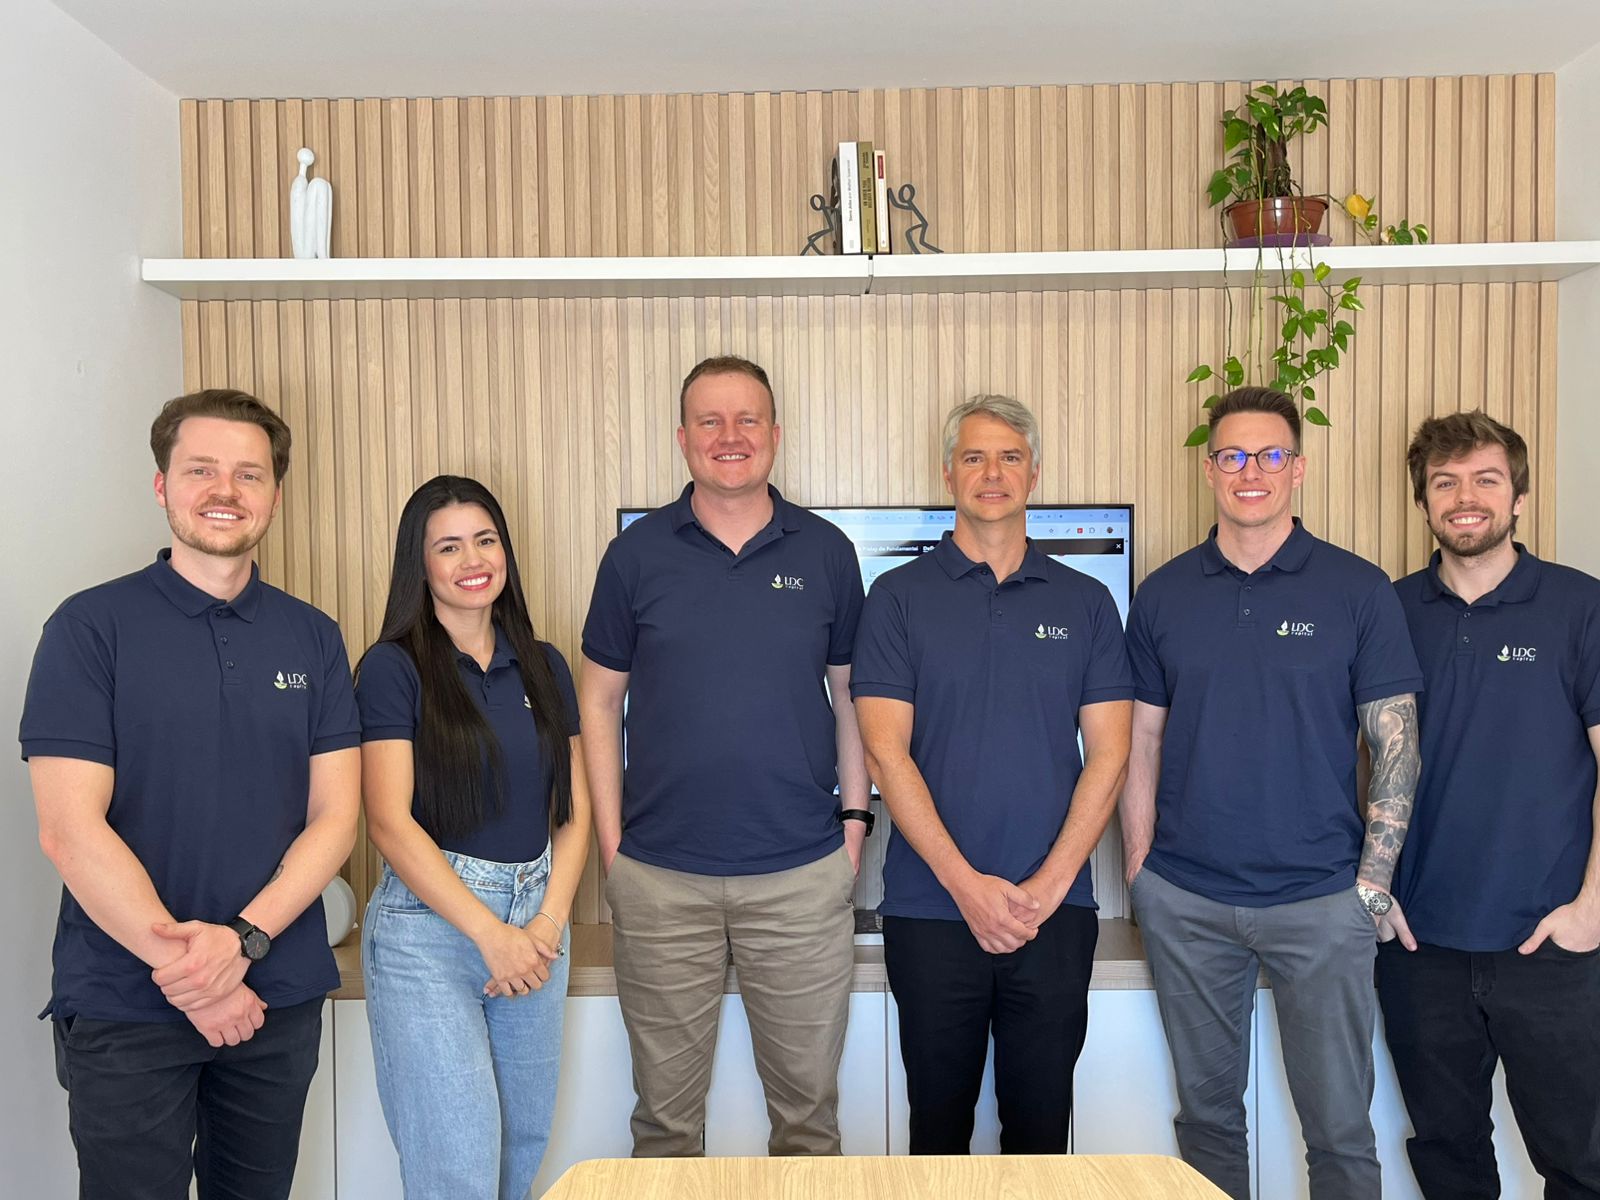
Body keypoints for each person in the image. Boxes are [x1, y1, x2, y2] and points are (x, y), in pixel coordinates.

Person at [20, 388, 361, 1199]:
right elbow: (69, 830)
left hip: (273, 997)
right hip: (127, 1003)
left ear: (275, 495)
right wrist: (195, 977)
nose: (225, 490)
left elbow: (336, 817)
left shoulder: (313, 636)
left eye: (249, 473)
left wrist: (241, 945)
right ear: (161, 485)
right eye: (201, 469)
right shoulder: (89, 628)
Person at [1119, 386, 1423, 1200]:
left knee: (1340, 1132)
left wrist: (1371, 886)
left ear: (1298, 468)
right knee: (1207, 1123)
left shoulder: (1357, 590)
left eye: (1270, 454)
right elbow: (1141, 741)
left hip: (1321, 903)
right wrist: (1142, 873)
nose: (1250, 471)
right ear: (1209, 469)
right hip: (1188, 901)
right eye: (1232, 455)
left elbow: (1396, 744)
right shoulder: (1164, 594)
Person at [579, 354, 869, 1157]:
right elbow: (597, 703)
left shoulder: (826, 552)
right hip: (660, 880)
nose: (730, 436)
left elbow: (852, 696)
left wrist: (853, 825)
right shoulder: (635, 555)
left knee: (809, 1123)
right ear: (683, 438)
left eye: (748, 419)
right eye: (710, 420)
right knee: (664, 1127)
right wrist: (613, 846)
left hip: (801, 876)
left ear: (776, 434)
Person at [852, 395, 1133, 1153]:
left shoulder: (1086, 601)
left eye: (1010, 457)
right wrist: (968, 888)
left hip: (1054, 914)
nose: (993, 473)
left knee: (1039, 1140)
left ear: (1034, 473)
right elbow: (885, 753)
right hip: (931, 911)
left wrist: (1045, 889)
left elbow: (1110, 754)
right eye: (973, 457)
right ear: (948, 472)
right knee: (936, 1139)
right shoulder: (897, 599)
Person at [1379, 411, 1600, 1199]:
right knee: (1448, 1156)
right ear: (1423, 500)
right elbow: (1344, 760)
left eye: (1486, 479)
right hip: (1419, 944)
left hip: (1552, 943)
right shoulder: (1387, 611)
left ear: (1519, 496)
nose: (1465, 498)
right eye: (1445, 482)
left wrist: (1592, 908)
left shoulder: (1580, 607)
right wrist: (1372, 891)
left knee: (1581, 1163)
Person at [355, 475, 591, 1199]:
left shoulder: (544, 662)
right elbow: (388, 821)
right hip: (430, 934)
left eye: (485, 540)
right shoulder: (392, 668)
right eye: (449, 546)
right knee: (457, 1165)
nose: (472, 560)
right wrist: (491, 934)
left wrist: (545, 924)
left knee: (520, 1153)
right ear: (419, 564)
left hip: (537, 921)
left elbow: (574, 812)